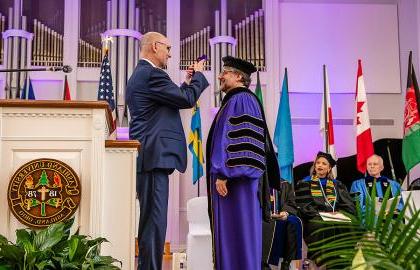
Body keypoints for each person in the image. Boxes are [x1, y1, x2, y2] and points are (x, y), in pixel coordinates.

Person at [126, 32, 209, 270]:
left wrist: (186, 82)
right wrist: (199, 77)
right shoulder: (152, 74)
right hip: (153, 157)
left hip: (151, 156)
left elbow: (171, 99)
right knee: (154, 223)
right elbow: (185, 99)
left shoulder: (144, 74)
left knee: (153, 222)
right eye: (168, 48)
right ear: (155, 46)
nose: (171, 54)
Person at [206, 56, 280, 270]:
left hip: (235, 182)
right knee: (233, 234)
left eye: (225, 72)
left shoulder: (241, 99)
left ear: (239, 76)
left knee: (238, 234)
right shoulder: (233, 100)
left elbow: (241, 142)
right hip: (233, 180)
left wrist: (223, 172)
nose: (220, 76)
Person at [295, 151, 355, 263]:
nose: (320, 165)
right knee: (321, 224)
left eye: (324, 163)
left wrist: (339, 213)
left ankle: (343, 260)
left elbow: (348, 204)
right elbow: (303, 205)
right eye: (318, 163)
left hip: (336, 215)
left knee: (347, 223)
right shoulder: (305, 183)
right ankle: (321, 259)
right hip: (315, 216)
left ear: (329, 168)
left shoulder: (337, 185)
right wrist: (321, 214)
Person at [262, 180, 303, 270]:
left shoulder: (284, 183)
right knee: (267, 225)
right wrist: (267, 214)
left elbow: (291, 202)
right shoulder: (258, 182)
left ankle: (287, 262)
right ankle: (264, 263)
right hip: (262, 216)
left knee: (294, 222)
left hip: (281, 215)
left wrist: (286, 212)